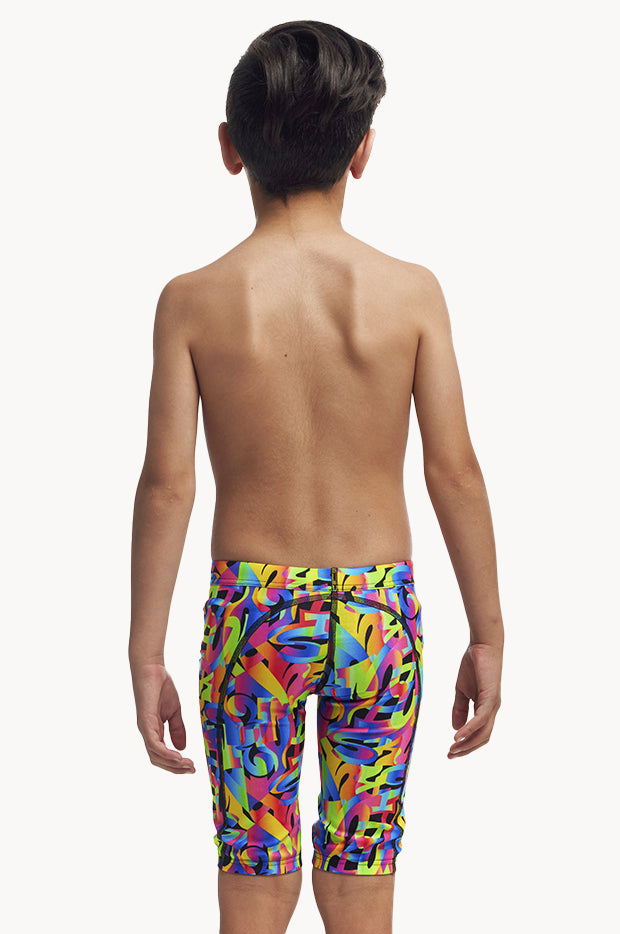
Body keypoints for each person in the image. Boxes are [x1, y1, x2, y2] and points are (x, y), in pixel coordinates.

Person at [128, 19, 504, 934]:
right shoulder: (411, 293)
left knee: (254, 871)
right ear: (363, 150)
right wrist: (488, 631)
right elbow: (453, 470)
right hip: (377, 616)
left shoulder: (192, 301)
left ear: (230, 148)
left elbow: (167, 486)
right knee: (362, 871)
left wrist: (145, 653)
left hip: (253, 616)